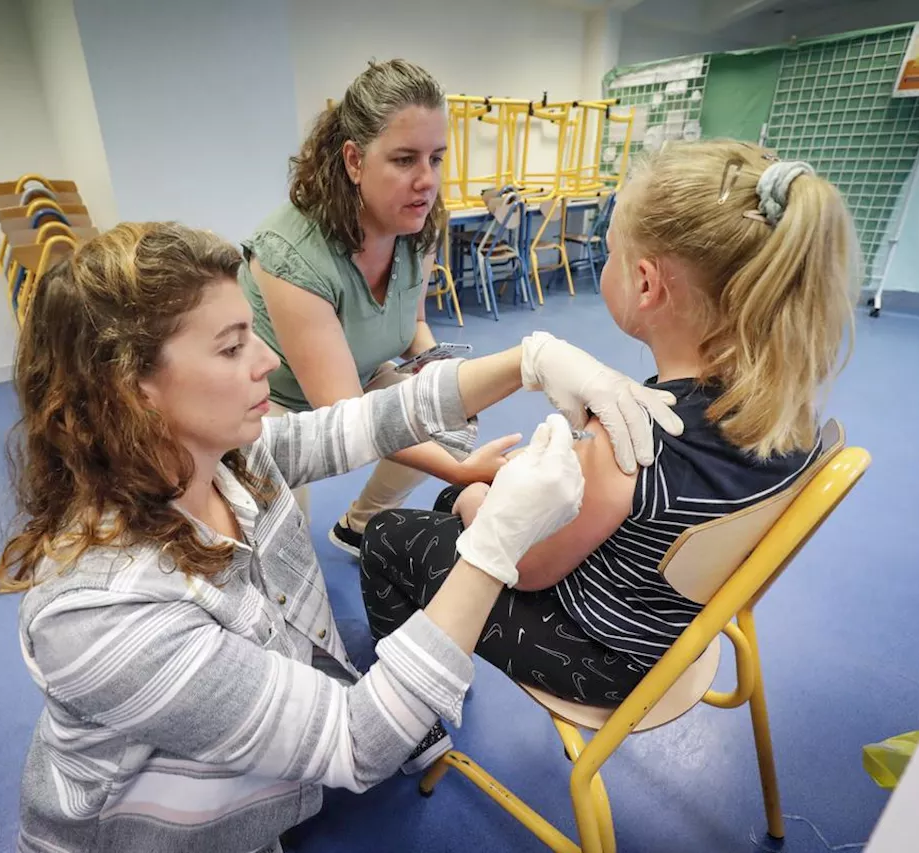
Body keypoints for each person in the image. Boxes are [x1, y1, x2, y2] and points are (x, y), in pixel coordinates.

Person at [0, 221, 679, 853]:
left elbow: (367, 421)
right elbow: (357, 741)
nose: (266, 358)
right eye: (232, 346)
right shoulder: (100, 617)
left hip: (245, 806)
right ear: (130, 387)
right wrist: (495, 545)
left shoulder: (228, 454)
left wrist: (528, 360)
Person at [360, 141, 859, 722]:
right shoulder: (789, 412)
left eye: (611, 251)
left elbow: (527, 569)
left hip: (599, 656)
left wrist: (480, 500)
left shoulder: (628, 439)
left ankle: (410, 714)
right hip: (677, 631)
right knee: (455, 499)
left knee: (392, 534)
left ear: (645, 284)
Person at [240, 59, 537, 558]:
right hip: (277, 405)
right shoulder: (291, 255)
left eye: (436, 159)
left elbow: (414, 321)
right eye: (404, 160)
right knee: (284, 547)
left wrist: (440, 367)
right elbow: (346, 417)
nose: (427, 180)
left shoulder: (417, 225)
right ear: (355, 161)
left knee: (451, 415)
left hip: (359, 374)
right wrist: (461, 471)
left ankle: (361, 524)